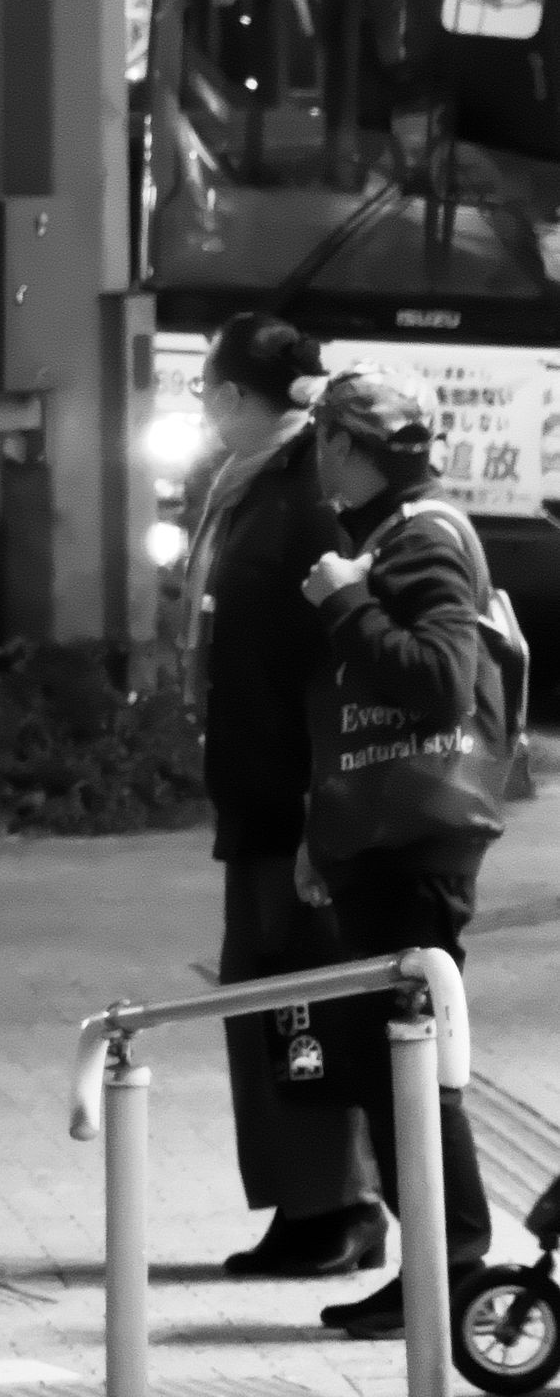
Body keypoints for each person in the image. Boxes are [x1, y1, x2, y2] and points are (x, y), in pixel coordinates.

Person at [296, 370, 507, 1337]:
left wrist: (347, 605)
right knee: (387, 1055)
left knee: (406, 1056)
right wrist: (321, 830)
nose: (316, 458)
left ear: (345, 445)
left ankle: (452, 1263)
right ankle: (438, 1260)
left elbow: (440, 682)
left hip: (416, 840)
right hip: (387, 832)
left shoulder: (421, 537)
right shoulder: (392, 532)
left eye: (323, 440)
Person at [182, 317, 381, 1277]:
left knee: (301, 1009)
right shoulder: (260, 484)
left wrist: (318, 808)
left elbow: (325, 664)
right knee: (269, 1003)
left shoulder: (298, 498)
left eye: (206, 390)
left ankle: (335, 1206)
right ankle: (310, 1203)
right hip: (263, 793)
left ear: (231, 395)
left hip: (296, 805)